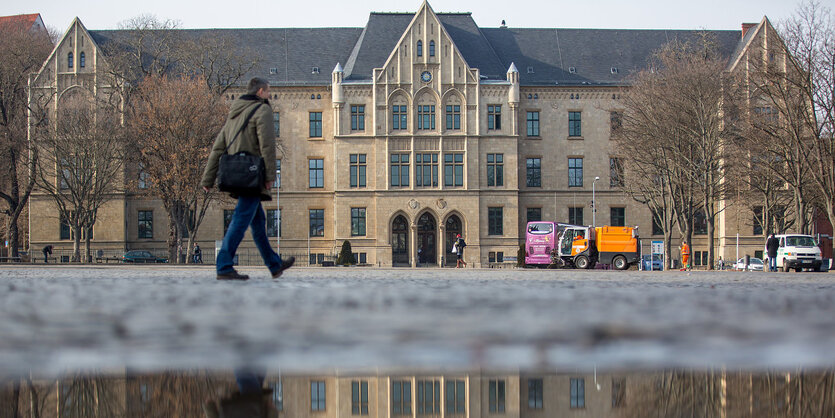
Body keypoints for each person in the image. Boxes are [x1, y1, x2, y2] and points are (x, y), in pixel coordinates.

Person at [201, 77, 294, 281]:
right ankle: (224, 264)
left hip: (236, 172)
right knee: (241, 218)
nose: (270, 95)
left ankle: (274, 264)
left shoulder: (235, 113)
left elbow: (219, 146)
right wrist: (270, 176)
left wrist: (208, 178)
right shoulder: (263, 110)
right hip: (253, 174)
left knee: (258, 222)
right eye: (268, 91)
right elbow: (267, 145)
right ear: (260, 92)